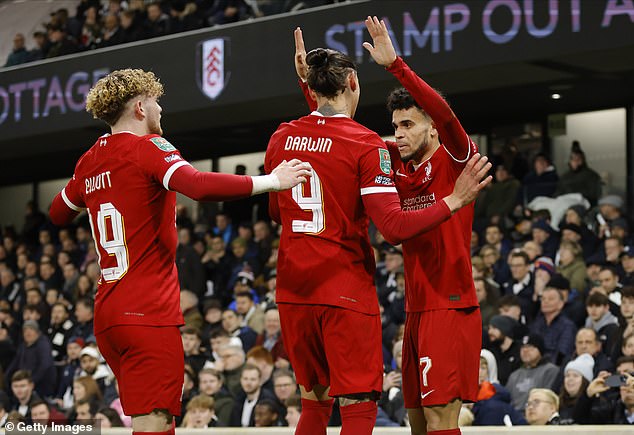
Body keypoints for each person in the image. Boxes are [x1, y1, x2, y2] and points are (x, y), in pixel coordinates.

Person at [48, 68, 311, 435]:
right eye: (156, 102)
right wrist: (272, 181)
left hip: (108, 314)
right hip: (147, 313)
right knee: (155, 423)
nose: (160, 110)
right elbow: (198, 185)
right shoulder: (149, 148)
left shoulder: (90, 158)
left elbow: (58, 212)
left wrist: (94, 190)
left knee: (152, 421)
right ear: (140, 107)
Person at [279, 22, 491, 435]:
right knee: (416, 424)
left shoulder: (456, 158)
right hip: (414, 310)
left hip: (450, 306)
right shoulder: (392, 158)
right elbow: (341, 134)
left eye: (409, 124)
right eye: (395, 126)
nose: (399, 133)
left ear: (431, 126)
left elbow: (446, 114)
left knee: (440, 422)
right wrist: (313, 88)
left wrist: (396, 65)